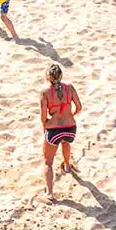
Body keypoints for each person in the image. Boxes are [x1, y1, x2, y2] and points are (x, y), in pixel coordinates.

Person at [40, 64, 82, 200]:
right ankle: (67, 166)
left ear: (48, 78)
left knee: (48, 162)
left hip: (54, 129)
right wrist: (71, 116)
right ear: (61, 76)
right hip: (70, 128)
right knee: (65, 142)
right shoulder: (69, 88)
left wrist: (45, 124)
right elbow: (79, 107)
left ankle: (50, 193)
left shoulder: (45, 92)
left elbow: (43, 115)